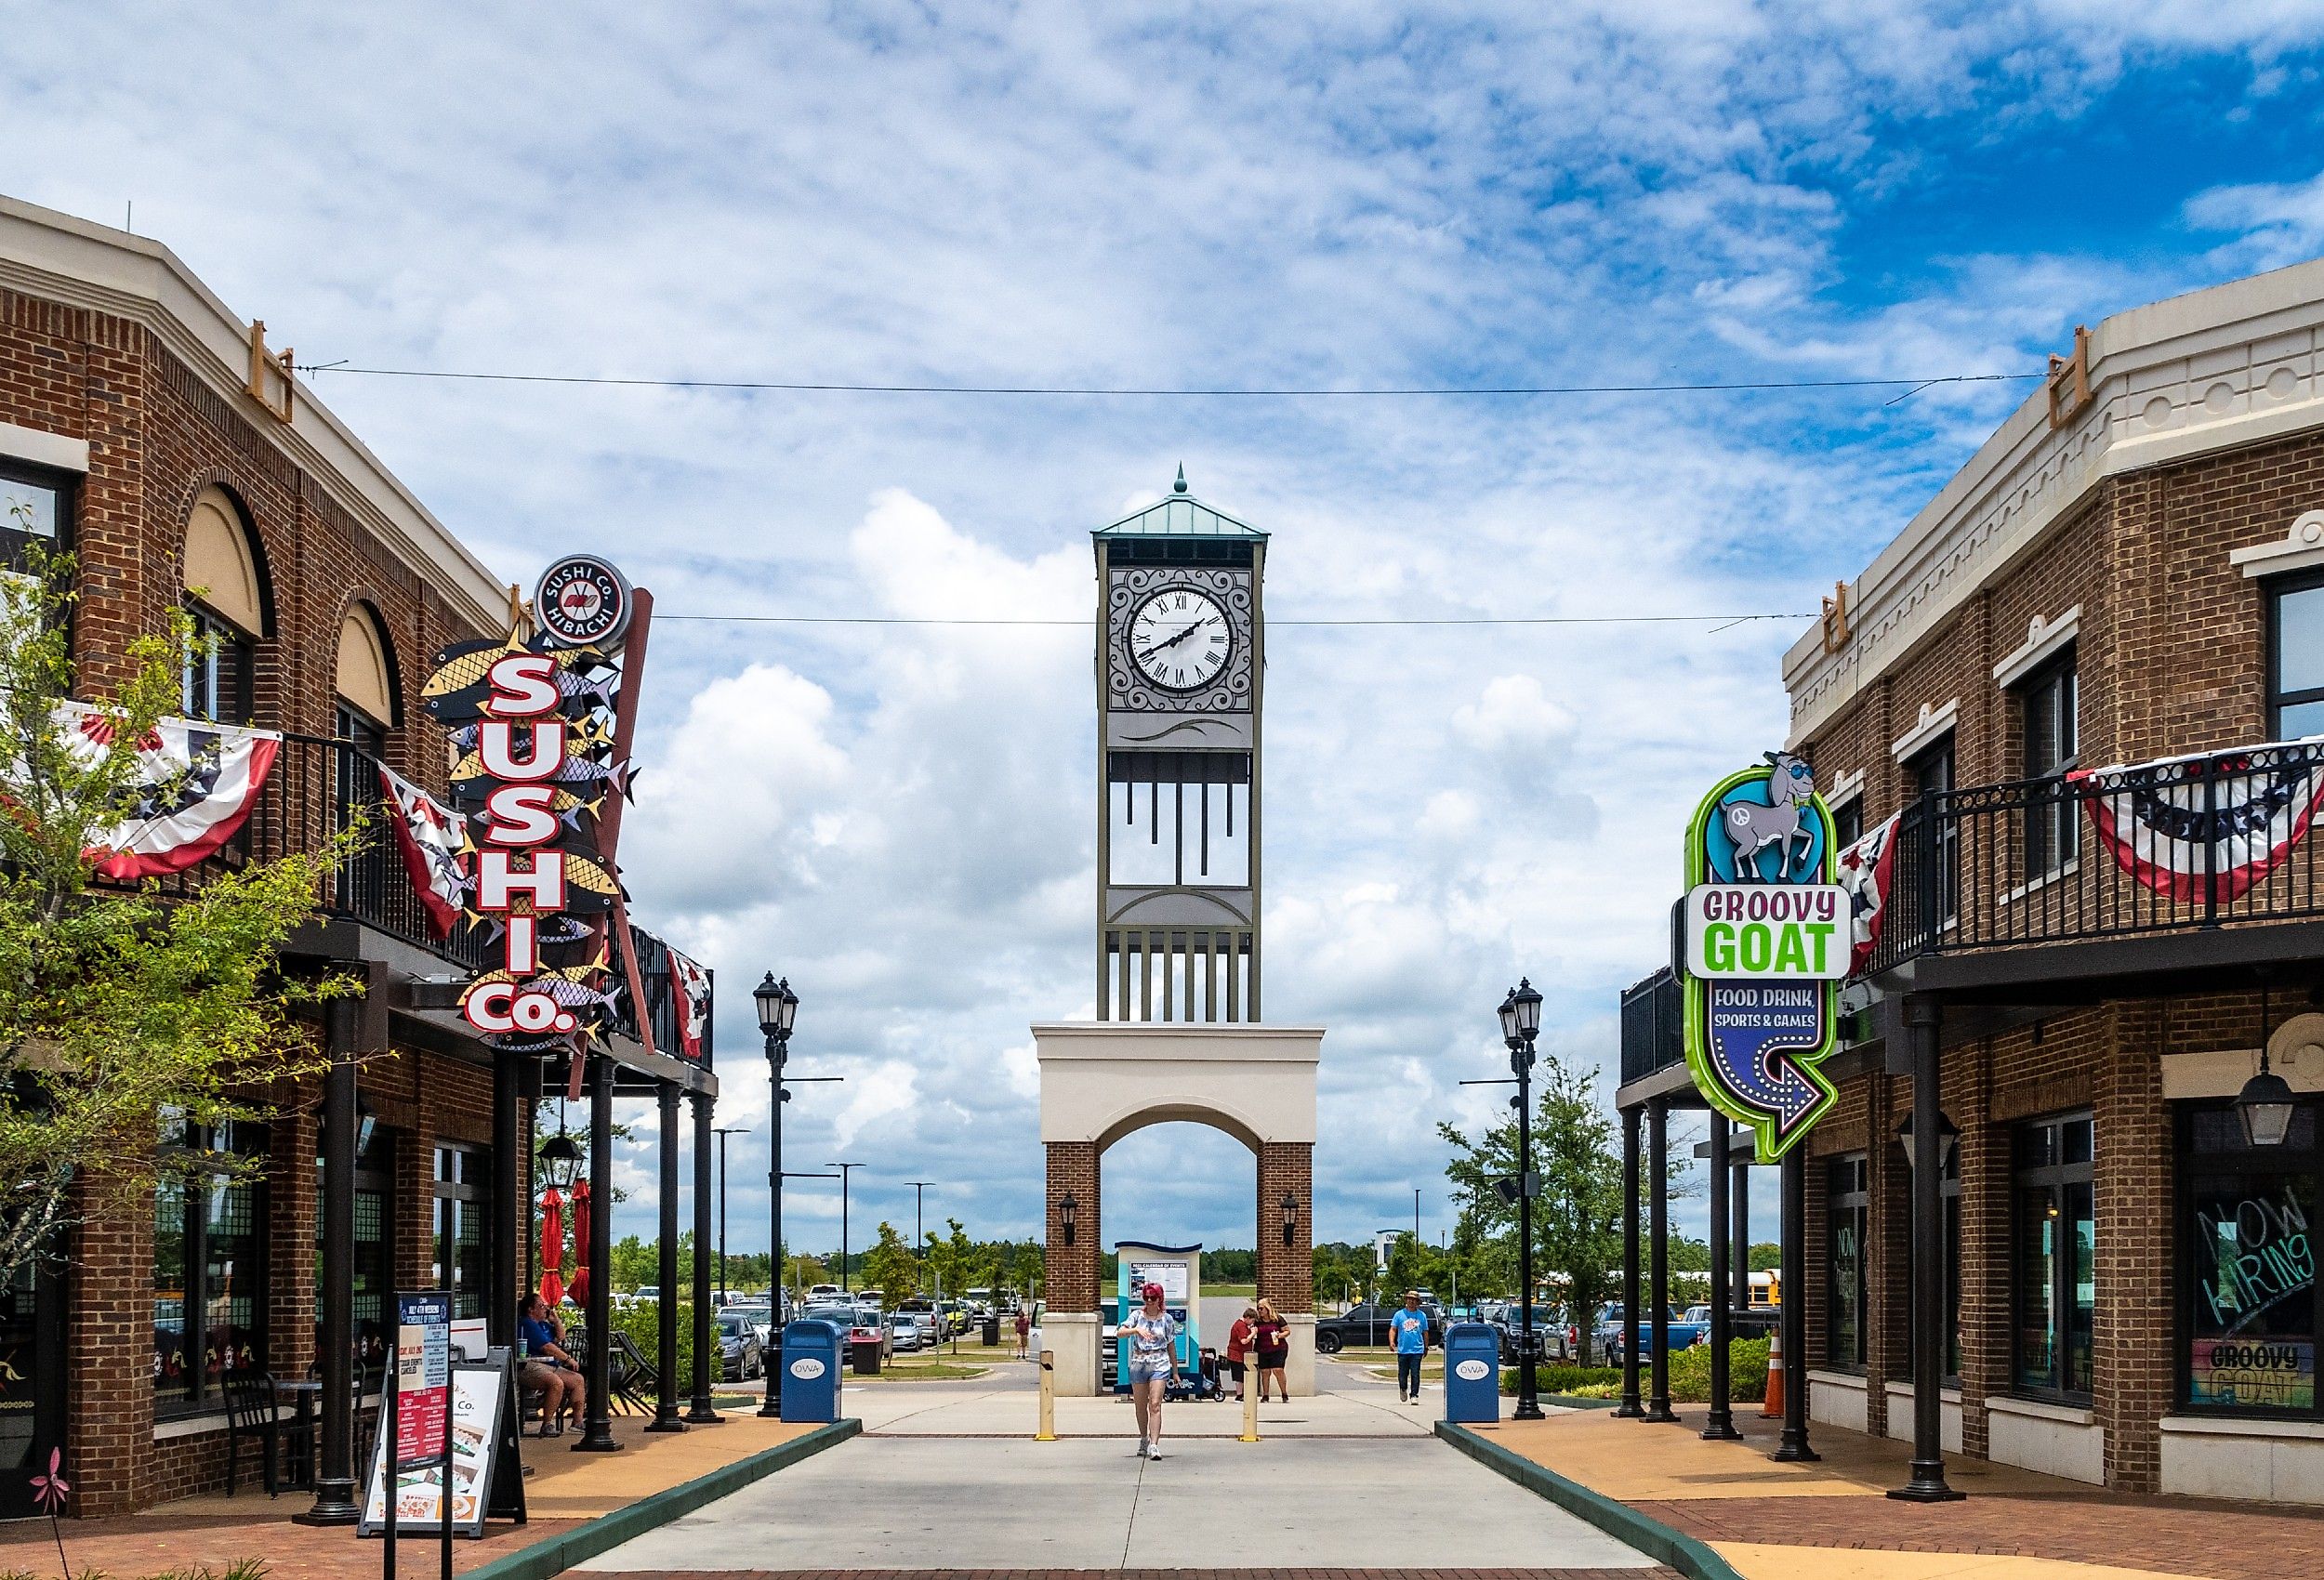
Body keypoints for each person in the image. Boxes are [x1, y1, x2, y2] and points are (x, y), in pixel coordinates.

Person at [1121, 1281, 1179, 1460]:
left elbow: (1171, 1345)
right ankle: (1143, 1438)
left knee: (1155, 1404)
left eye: (1153, 1298)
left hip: (1159, 1362)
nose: (1149, 1301)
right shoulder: (1137, 1316)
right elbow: (1120, 1332)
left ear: (1159, 1299)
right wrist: (1135, 1330)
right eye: (1146, 1297)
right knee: (1140, 1405)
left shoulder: (1167, 1319)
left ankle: (1154, 1444)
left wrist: (1175, 1370)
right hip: (1139, 1362)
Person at [518, 1293, 585, 1435]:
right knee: (556, 1383)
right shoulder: (528, 1324)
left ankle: (577, 1422)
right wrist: (567, 1359)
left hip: (549, 1365)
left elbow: (560, 1337)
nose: (545, 1310)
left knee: (577, 1380)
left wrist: (556, 1321)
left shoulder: (542, 1324)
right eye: (541, 1306)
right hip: (529, 1365)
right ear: (531, 1309)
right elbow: (547, 1347)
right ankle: (547, 1424)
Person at [1389, 1288, 1429, 1405]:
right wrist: (1392, 1341)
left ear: (1417, 1302)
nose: (1411, 1302)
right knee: (1403, 1374)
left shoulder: (1422, 1316)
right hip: (1403, 1349)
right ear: (1406, 1300)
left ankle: (1414, 1395)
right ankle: (1403, 1389)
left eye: (1414, 1300)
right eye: (1410, 1299)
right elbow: (1393, 1329)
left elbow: (1425, 1332)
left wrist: (1426, 1347)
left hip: (1417, 1349)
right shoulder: (1399, 1314)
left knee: (1415, 1373)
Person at [1254, 1298, 1289, 1402]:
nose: (1259, 1311)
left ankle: (1284, 1393)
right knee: (1265, 1372)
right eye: (1258, 1309)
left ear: (1267, 1308)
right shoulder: (1257, 1321)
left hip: (1278, 1348)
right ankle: (1265, 1395)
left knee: (1277, 1369)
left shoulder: (1277, 1319)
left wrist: (1279, 1335)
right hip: (1262, 1349)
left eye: (1261, 1308)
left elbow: (1287, 1331)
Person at [1225, 1305, 1256, 1402]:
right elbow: (1244, 1341)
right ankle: (1239, 1395)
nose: (1252, 1323)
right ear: (1247, 1318)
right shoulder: (1241, 1326)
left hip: (1241, 1354)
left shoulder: (1242, 1325)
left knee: (1241, 1375)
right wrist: (1253, 1333)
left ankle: (1242, 1394)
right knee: (1239, 1376)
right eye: (1252, 1320)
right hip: (1237, 1355)